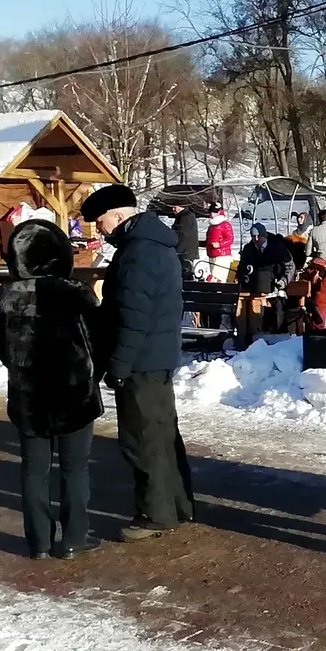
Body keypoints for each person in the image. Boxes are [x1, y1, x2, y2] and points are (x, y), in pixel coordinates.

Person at [81, 184, 195, 542]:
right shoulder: (152, 246)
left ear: (118, 215)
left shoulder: (137, 254)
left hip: (141, 361)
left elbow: (132, 318)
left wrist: (117, 365)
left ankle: (155, 513)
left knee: (142, 439)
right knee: (161, 435)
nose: (98, 228)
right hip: (156, 357)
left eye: (99, 221)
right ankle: (176, 505)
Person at [0, 219, 104, 560]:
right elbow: (97, 342)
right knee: (75, 469)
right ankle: (73, 538)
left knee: (33, 470)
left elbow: (3, 348)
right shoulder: (76, 292)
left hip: (29, 396)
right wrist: (90, 377)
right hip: (74, 394)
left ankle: (38, 542)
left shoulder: (5, 294)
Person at [238, 222, 295, 332]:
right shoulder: (249, 249)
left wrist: (283, 281)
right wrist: (244, 275)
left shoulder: (277, 247)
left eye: (258, 236)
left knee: (277, 312)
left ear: (264, 236)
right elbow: (242, 267)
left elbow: (290, 266)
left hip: (276, 287)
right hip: (254, 289)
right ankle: (251, 336)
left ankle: (277, 335)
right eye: (253, 236)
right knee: (249, 312)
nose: (256, 239)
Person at [205, 203, 234, 283]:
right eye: (211, 212)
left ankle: (219, 293)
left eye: (214, 212)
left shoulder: (225, 224)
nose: (212, 215)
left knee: (216, 279)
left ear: (219, 212)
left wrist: (220, 244)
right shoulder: (211, 226)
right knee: (214, 279)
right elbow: (209, 240)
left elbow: (230, 239)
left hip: (222, 256)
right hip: (212, 254)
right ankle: (216, 294)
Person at [171, 204, 200, 281]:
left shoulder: (185, 217)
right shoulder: (184, 216)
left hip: (185, 251)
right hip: (186, 251)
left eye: (175, 207)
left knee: (185, 273)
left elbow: (181, 234)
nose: (173, 209)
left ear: (181, 206)